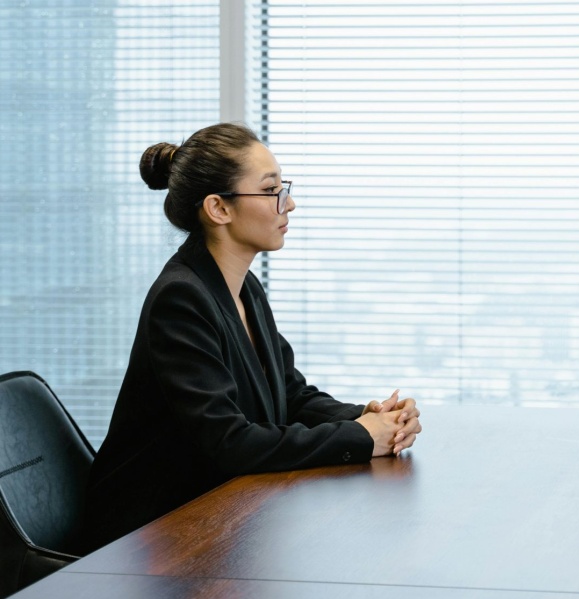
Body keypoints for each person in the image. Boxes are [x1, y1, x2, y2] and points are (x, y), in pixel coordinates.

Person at [83, 123, 422, 551]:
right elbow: (230, 443)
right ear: (218, 208)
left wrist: (371, 418)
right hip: (148, 536)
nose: (289, 204)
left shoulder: (244, 287)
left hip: (218, 512)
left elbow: (290, 396)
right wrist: (361, 437)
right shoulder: (181, 299)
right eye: (271, 190)